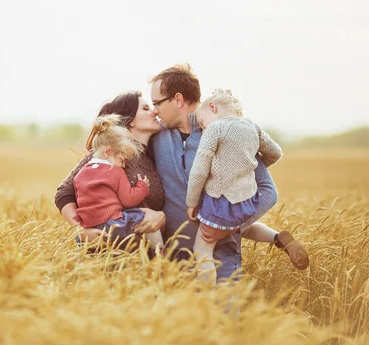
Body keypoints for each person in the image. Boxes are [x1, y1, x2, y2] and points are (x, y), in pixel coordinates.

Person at [149, 64, 308, 281]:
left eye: (156, 103)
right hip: (172, 261)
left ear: (178, 100)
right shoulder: (154, 136)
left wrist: (227, 228)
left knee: (223, 315)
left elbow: (268, 191)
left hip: (222, 256)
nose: (154, 110)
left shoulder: (227, 134)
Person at [185, 89, 309, 284]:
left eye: (202, 123)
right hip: (247, 200)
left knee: (203, 249)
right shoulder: (252, 126)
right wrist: (246, 169)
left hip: (220, 202)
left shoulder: (215, 129)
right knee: (244, 228)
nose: (203, 127)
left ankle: (206, 297)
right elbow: (275, 152)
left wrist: (192, 202)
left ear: (212, 107)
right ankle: (278, 237)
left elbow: (199, 170)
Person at [54, 91, 166, 250]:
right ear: (131, 120)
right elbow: (64, 192)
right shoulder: (110, 153)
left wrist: (161, 217)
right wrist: (80, 230)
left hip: (145, 260)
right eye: (146, 108)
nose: (155, 111)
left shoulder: (155, 157)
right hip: (110, 254)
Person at [72, 114, 164, 252]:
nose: (123, 165)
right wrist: (142, 187)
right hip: (113, 225)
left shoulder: (81, 173)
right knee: (145, 218)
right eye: (122, 160)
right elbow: (128, 200)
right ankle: (161, 253)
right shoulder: (114, 170)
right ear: (108, 152)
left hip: (89, 228)